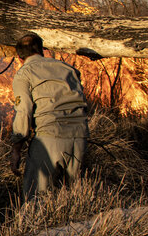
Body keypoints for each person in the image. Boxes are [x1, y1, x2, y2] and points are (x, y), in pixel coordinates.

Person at [8, 32, 89, 200]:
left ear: (19, 57)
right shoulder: (69, 69)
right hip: (80, 139)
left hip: (49, 140)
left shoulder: (24, 73)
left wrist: (16, 149)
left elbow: (24, 111)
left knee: (36, 201)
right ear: (42, 50)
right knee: (74, 199)